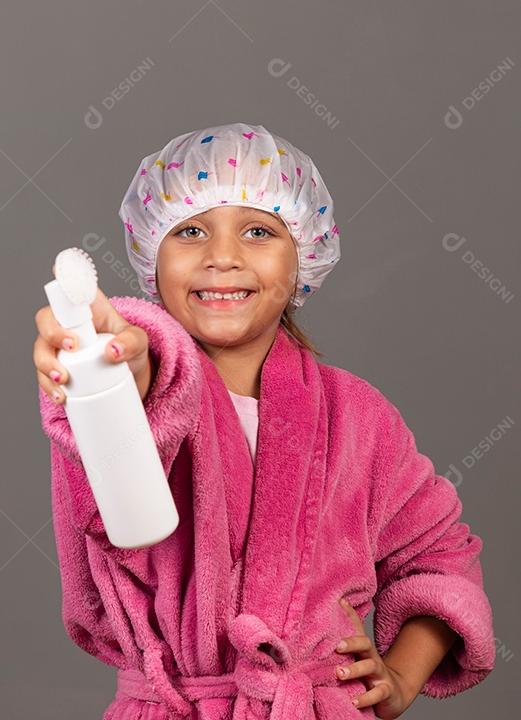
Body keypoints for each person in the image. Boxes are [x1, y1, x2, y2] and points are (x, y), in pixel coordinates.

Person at [34, 122, 495, 719]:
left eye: (258, 231)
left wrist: (400, 677)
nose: (222, 256)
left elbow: (438, 553)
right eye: (190, 231)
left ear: (303, 256)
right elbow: (142, 410)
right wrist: (113, 361)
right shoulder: (137, 391)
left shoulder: (358, 417)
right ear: (153, 257)